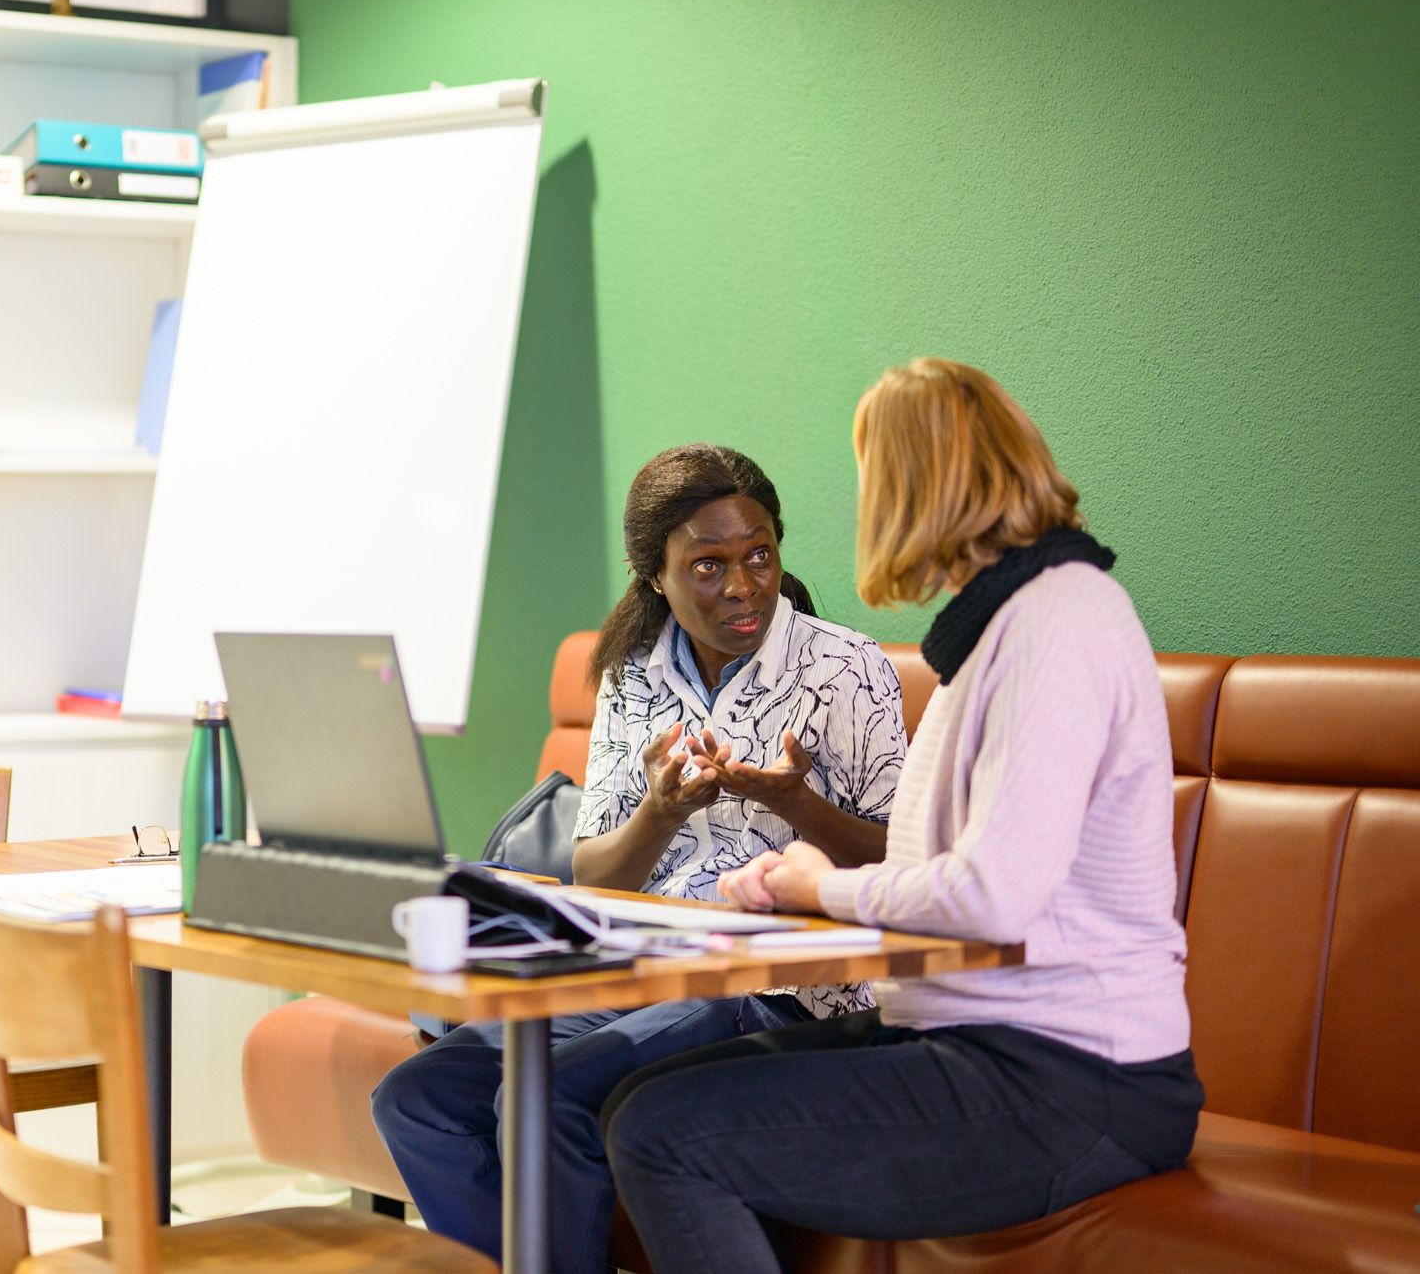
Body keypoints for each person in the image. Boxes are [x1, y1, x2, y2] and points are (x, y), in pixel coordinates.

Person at [602, 360, 1206, 1274]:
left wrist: (822, 883)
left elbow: (991, 895)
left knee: (660, 1132)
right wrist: (787, 880)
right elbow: (946, 864)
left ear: (917, 486)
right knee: (634, 1097)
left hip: (1074, 1076)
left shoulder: (1059, 622)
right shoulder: (1006, 625)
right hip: (972, 1038)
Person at [371, 443, 908, 1273]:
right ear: (655, 575)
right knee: (419, 1096)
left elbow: (899, 859)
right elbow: (599, 875)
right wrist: (659, 809)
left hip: (780, 987)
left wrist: (792, 800)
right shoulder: (632, 675)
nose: (743, 585)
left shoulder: (847, 669)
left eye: (759, 553)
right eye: (708, 564)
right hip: (642, 968)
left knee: (540, 1100)